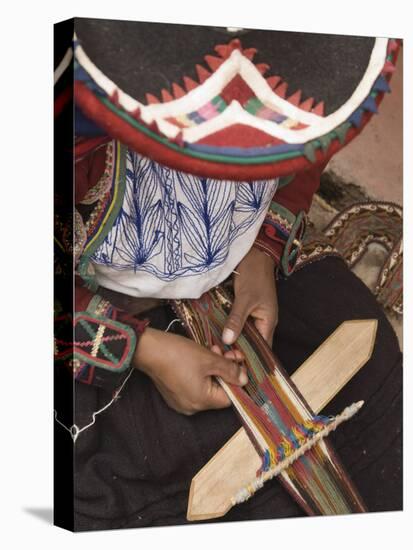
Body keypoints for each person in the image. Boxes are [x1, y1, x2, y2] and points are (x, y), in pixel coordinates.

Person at [54, 20, 402, 531]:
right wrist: (141, 349)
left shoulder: (304, 60)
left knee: (378, 377)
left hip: (242, 271)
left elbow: (303, 158)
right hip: (93, 297)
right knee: (99, 493)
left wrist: (261, 252)